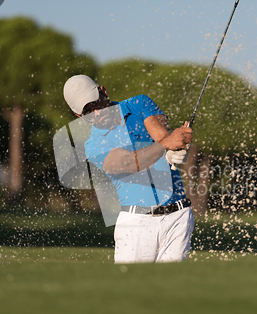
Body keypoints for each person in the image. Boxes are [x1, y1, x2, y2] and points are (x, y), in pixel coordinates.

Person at [63, 74, 194, 263]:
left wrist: (176, 148)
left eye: (97, 103)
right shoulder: (93, 146)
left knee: (170, 289)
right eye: (89, 112)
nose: (97, 113)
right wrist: (166, 146)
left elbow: (162, 137)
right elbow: (128, 163)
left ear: (103, 92)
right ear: (79, 116)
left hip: (179, 217)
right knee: (131, 290)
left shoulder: (139, 104)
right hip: (137, 224)